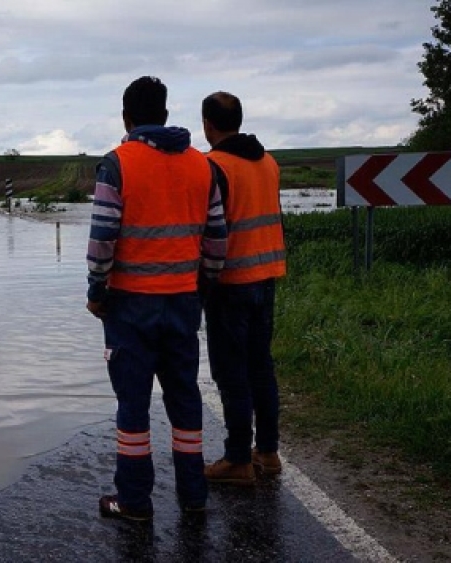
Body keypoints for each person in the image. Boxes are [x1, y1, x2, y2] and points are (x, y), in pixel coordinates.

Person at [87, 76, 227, 521]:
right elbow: (218, 239)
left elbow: (103, 237)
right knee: (184, 399)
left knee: (133, 405)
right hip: (183, 301)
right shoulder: (203, 166)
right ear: (165, 115)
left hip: (129, 305)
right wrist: (201, 284)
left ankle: (133, 502)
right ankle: (194, 495)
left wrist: (97, 288)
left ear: (126, 117)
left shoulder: (117, 163)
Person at [200, 91, 287, 485]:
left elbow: (209, 227)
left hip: (230, 281)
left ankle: (237, 459)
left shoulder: (213, 166)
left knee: (231, 372)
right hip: (266, 276)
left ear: (208, 125)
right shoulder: (268, 161)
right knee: (260, 366)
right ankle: (267, 452)